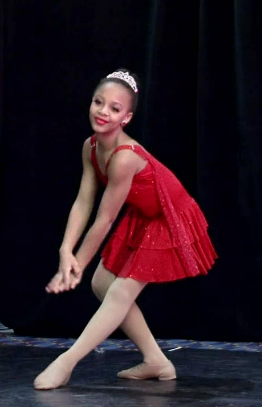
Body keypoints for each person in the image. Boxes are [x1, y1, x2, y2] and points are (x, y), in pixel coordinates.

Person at [34, 68, 217, 390]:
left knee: (118, 292)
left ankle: (66, 362)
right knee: (102, 284)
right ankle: (156, 361)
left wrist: (77, 265)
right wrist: (66, 251)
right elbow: (84, 201)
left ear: (126, 118)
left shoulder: (124, 158)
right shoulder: (90, 146)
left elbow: (104, 219)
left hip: (168, 217)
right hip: (143, 215)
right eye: (98, 102)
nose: (103, 112)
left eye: (114, 108)